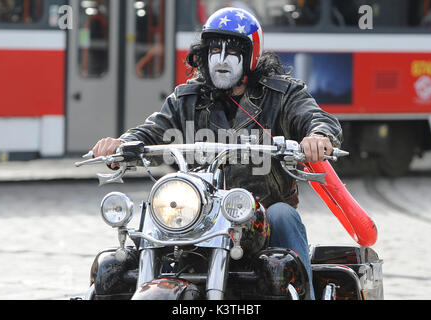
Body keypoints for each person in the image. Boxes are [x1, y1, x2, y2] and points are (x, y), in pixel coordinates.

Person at [92, 7, 342, 300]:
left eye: (233, 51)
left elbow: (316, 117)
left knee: (284, 214)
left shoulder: (282, 94)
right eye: (214, 49)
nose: (221, 59)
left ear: (252, 56)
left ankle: (306, 295)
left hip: (259, 216)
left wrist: (318, 136)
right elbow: (151, 130)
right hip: (198, 213)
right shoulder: (186, 99)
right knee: (146, 228)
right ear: (203, 54)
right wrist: (122, 145)